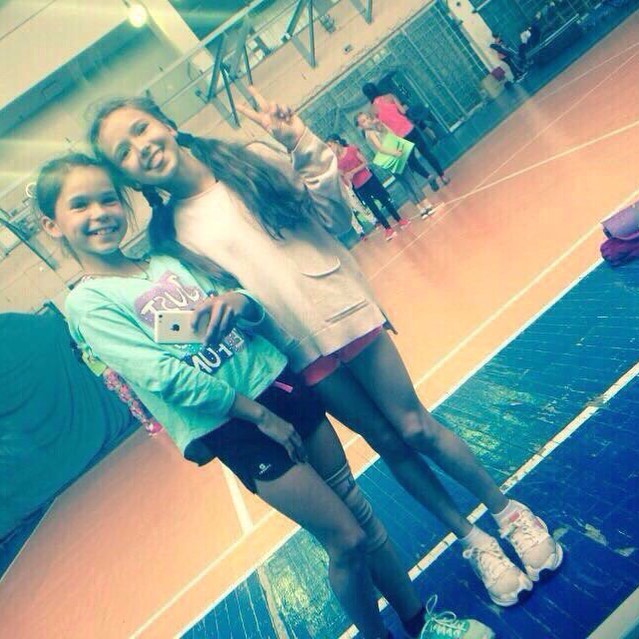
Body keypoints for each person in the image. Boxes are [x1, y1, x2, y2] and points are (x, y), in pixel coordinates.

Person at [89, 90, 563, 609]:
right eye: (123, 153)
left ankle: (508, 513)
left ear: (164, 122)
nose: (140, 148)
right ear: (128, 177)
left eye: (140, 129)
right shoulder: (167, 241)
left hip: (343, 309)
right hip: (296, 352)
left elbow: (335, 217)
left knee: (414, 426)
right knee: (387, 441)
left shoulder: (247, 160)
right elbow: (200, 319)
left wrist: (301, 142)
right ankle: (474, 541)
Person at [37, 152, 495, 639]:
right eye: (80, 205)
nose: (99, 213)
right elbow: (163, 375)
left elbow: (239, 311)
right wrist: (257, 416)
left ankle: (421, 623)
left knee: (359, 512)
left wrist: (239, 301)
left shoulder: (167, 261)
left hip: (281, 386)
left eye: (107, 199)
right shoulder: (89, 303)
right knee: (346, 539)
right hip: (238, 424)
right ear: (52, 225)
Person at [327, 134, 429, 242]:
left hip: (369, 180)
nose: (329, 149)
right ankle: (388, 229)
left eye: (330, 145)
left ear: (336, 142)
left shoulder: (351, 149)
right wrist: (344, 175)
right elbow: (343, 174)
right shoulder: (336, 161)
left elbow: (365, 162)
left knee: (384, 200)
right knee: (373, 208)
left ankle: (400, 220)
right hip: (359, 187)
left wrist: (353, 171)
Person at [361, 83, 451, 188]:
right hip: (410, 129)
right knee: (427, 153)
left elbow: (379, 127)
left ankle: (428, 176)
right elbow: (403, 111)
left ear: (367, 95)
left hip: (398, 138)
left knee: (412, 161)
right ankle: (443, 176)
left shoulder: (372, 110)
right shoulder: (390, 96)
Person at [355, 112, 437, 217]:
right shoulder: (370, 133)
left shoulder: (373, 130)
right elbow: (381, 148)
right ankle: (427, 204)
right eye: (363, 121)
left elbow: (392, 134)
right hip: (393, 157)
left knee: (406, 184)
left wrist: (381, 125)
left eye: (367, 118)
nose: (367, 121)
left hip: (388, 161)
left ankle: (421, 209)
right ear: (360, 126)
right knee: (411, 181)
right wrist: (395, 152)